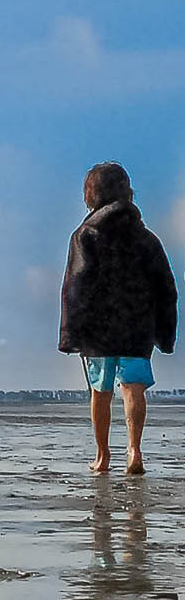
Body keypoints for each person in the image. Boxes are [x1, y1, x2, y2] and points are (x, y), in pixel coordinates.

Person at [60, 162, 178, 475]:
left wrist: (70, 332)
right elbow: (166, 287)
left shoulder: (85, 234)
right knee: (134, 387)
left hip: (98, 328)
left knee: (100, 391)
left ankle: (102, 456)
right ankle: (134, 451)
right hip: (137, 325)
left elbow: (75, 286)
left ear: (91, 195)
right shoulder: (147, 238)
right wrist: (165, 332)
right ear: (128, 193)